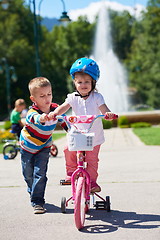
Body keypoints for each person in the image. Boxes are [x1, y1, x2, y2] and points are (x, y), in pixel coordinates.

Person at [48, 57, 115, 193]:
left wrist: (108, 114)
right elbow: (63, 107)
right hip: (77, 134)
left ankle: (92, 182)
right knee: (68, 150)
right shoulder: (72, 97)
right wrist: (54, 113)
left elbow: (104, 109)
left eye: (87, 82)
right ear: (74, 83)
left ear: (93, 82)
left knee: (92, 160)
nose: (83, 84)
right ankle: (71, 173)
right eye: (79, 82)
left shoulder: (97, 97)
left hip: (94, 137)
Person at [20, 77, 67, 214]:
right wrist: (42, 118)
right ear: (33, 98)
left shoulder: (55, 109)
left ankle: (38, 201)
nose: (47, 98)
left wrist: (70, 131)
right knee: (28, 175)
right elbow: (32, 118)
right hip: (27, 146)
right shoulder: (32, 111)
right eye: (42, 96)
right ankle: (33, 191)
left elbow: (63, 120)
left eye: (49, 94)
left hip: (44, 147)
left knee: (40, 174)